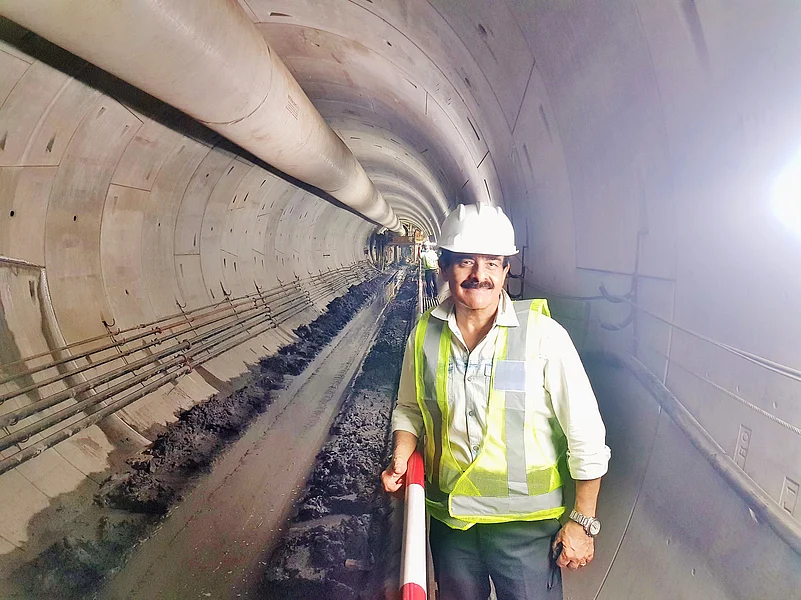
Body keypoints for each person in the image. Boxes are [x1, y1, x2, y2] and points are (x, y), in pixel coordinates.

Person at [382, 203, 610, 600]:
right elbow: (409, 408)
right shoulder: (424, 335)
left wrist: (583, 521)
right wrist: (402, 455)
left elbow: (586, 435)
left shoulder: (543, 337)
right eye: (466, 262)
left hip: (525, 531)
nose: (479, 276)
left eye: (493, 263)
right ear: (444, 267)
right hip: (452, 525)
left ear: (507, 271)